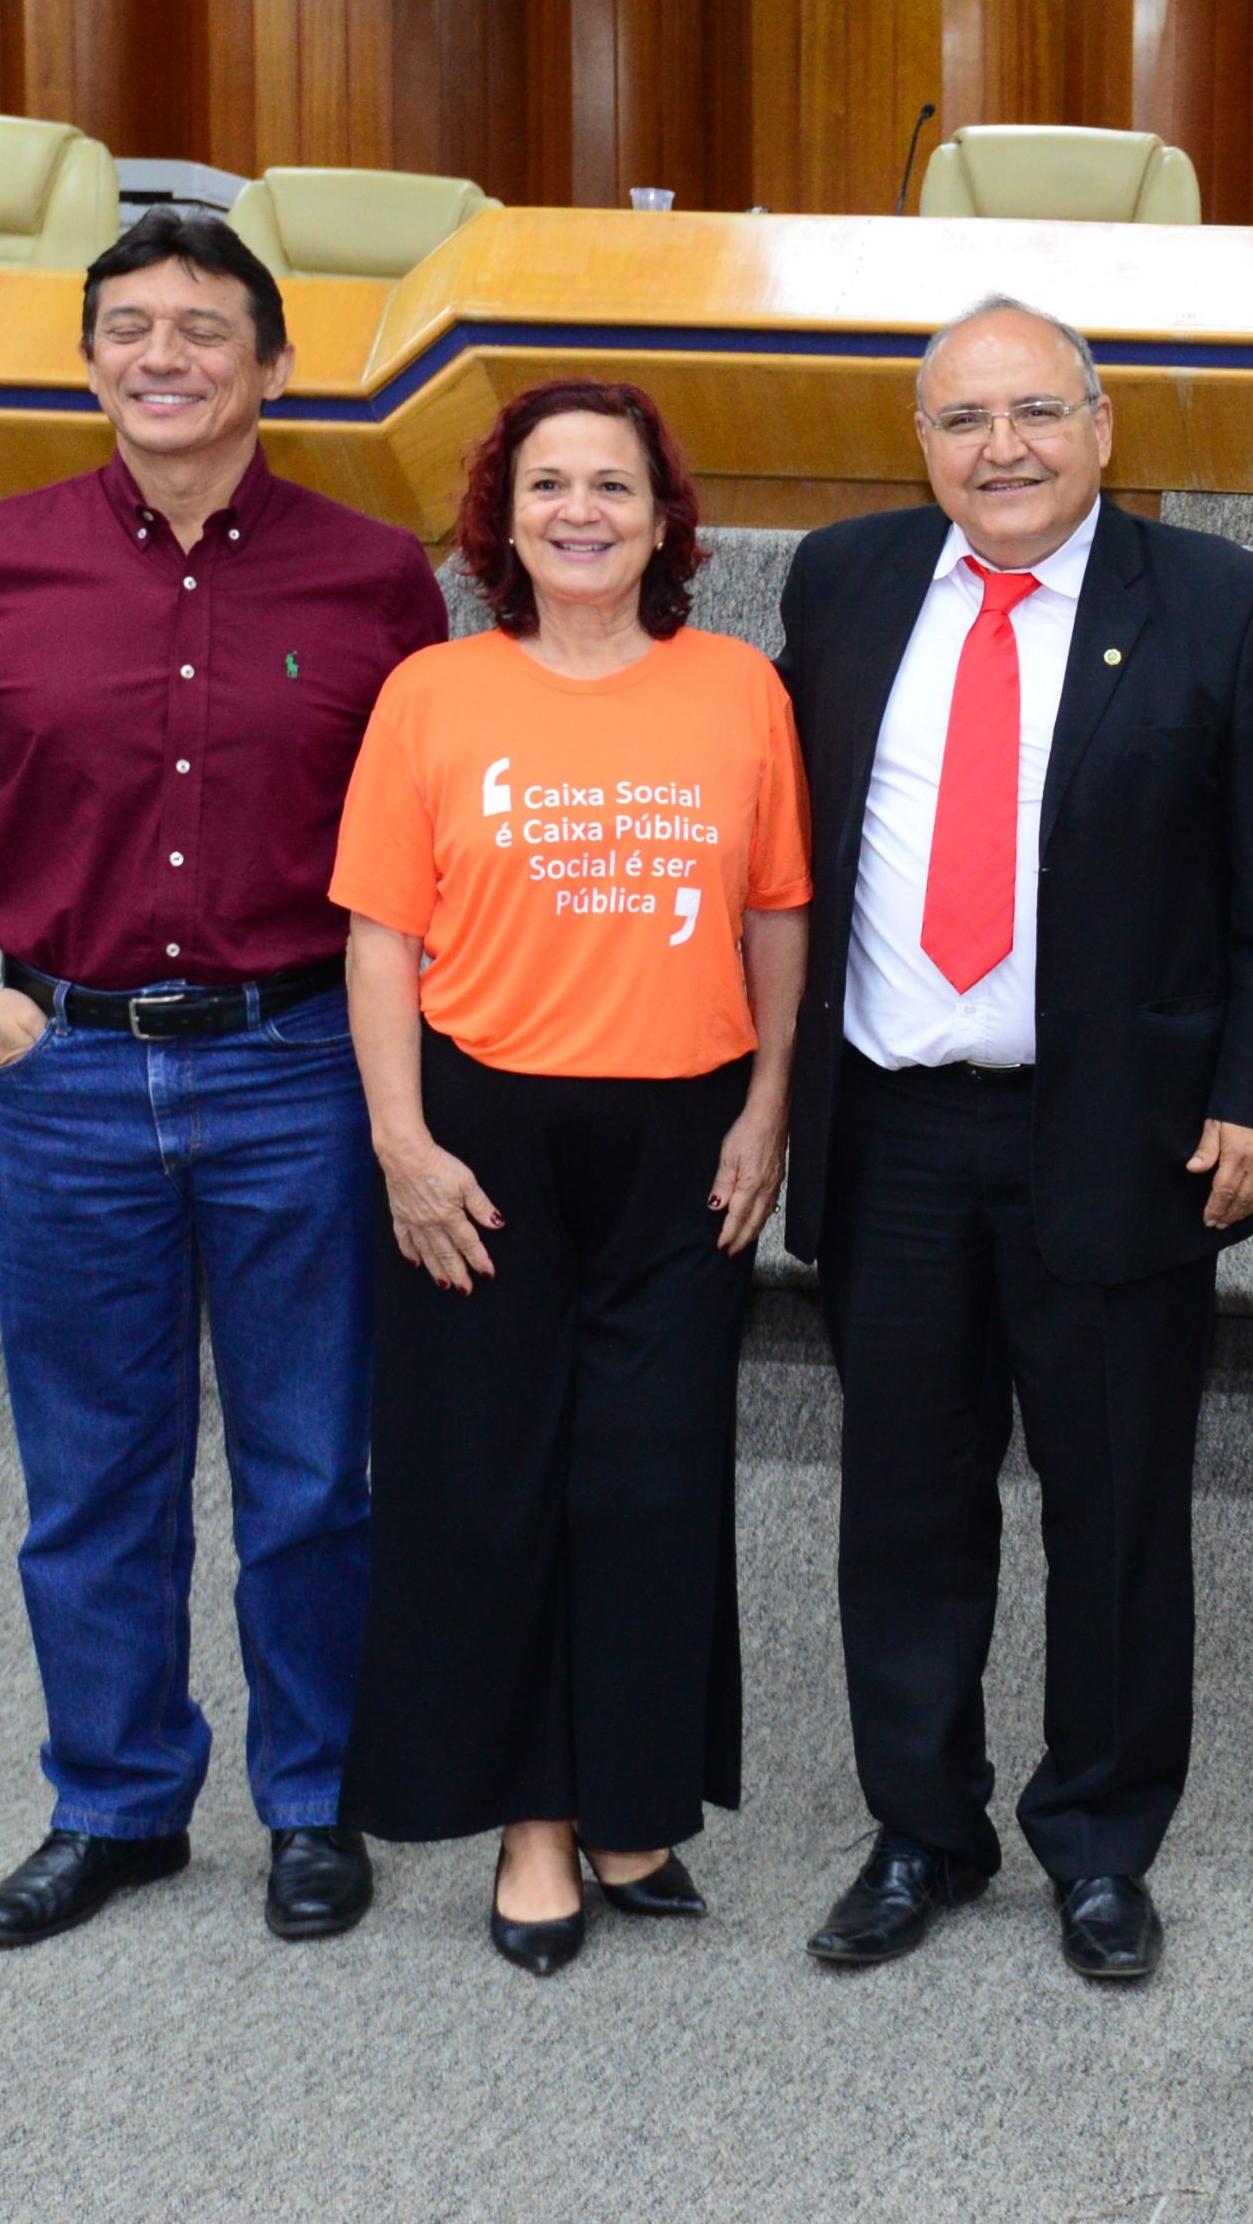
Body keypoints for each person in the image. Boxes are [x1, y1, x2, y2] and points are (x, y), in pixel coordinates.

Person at [0, 209, 447, 1952]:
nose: (162, 356)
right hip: (68, 1078)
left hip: (295, 1071)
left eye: (201, 327)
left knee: (311, 1466)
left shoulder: (374, 577)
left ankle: (313, 1796)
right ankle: (115, 1802)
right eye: (128, 327)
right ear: (90, 357)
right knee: (95, 1471)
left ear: (274, 365)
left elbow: (426, 838)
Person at [776, 297, 1253, 1984]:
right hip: (891, 1132)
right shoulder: (844, 582)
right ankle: (920, 1828)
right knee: (904, 1506)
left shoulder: (1219, 602)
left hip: (1118, 1136)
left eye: (1034, 413)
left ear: (1102, 427)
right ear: (919, 443)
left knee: (1118, 1508)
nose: (1000, 448)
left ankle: (1099, 1841)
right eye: (963, 419)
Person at [329, 379, 810, 1976]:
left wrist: (770, 1106)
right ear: (504, 516)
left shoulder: (740, 688)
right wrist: (400, 1141)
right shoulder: (432, 692)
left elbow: (779, 912)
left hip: (687, 1134)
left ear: (665, 519)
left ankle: (631, 1801)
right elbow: (381, 937)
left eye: (614, 483)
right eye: (550, 484)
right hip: (480, 1133)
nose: (582, 510)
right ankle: (535, 1819)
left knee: (650, 1478)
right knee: (491, 1477)